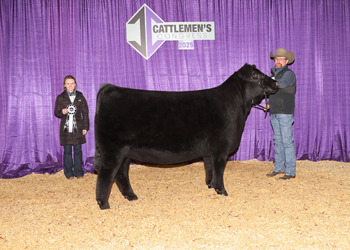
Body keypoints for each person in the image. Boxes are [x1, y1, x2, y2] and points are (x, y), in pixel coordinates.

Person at [265, 48, 296, 180]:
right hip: (275, 112)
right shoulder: (274, 75)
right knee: (278, 141)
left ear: (286, 61)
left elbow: (281, 85)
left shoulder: (289, 74)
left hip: (285, 113)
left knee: (286, 141)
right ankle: (278, 168)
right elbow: (276, 93)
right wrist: (269, 105)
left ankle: (290, 171)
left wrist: (269, 82)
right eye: (276, 59)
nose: (278, 61)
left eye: (281, 59)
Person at [54, 75, 90, 179]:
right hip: (66, 129)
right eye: (68, 83)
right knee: (67, 151)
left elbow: (85, 113)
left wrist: (85, 127)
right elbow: (56, 113)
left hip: (78, 128)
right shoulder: (60, 98)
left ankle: (79, 172)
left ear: (75, 84)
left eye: (72, 83)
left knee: (78, 151)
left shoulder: (80, 97)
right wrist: (62, 112)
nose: (70, 85)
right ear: (64, 85)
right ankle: (68, 173)